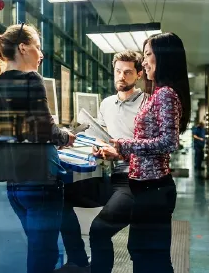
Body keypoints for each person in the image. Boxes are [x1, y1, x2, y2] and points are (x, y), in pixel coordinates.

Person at [0, 23, 76, 273]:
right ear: (23, 48)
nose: (41, 54)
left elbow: (17, 133)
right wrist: (65, 136)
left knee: (37, 250)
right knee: (45, 254)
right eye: (38, 47)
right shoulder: (32, 79)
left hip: (15, 185)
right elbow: (45, 130)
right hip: (40, 180)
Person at [97, 32, 191, 273]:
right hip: (145, 187)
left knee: (150, 258)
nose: (145, 61)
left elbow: (169, 142)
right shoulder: (160, 93)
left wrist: (122, 145)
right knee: (143, 253)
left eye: (148, 54)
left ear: (164, 57)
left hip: (154, 189)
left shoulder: (166, 94)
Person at [56, 50, 146, 273]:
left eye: (127, 72)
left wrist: (118, 152)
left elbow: (151, 149)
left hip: (135, 180)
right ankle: (78, 259)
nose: (121, 77)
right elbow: (105, 138)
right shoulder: (106, 104)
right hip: (112, 177)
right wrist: (98, 148)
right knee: (57, 198)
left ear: (139, 75)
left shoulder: (147, 105)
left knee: (99, 229)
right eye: (118, 72)